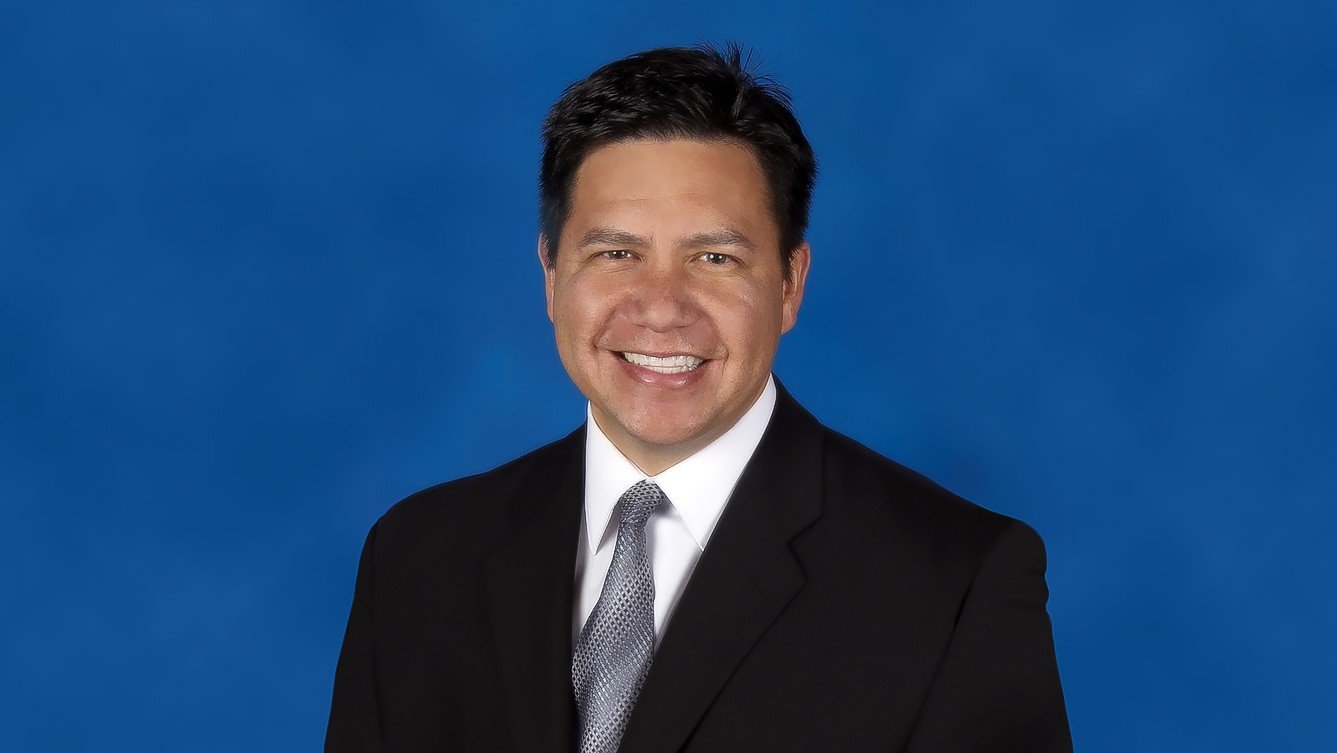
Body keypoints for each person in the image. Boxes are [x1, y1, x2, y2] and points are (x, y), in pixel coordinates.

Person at [325, 44, 1072, 753]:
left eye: (714, 257)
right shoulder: (419, 560)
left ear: (790, 284)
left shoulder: (954, 585)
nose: (660, 308)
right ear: (550, 275)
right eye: (616, 253)